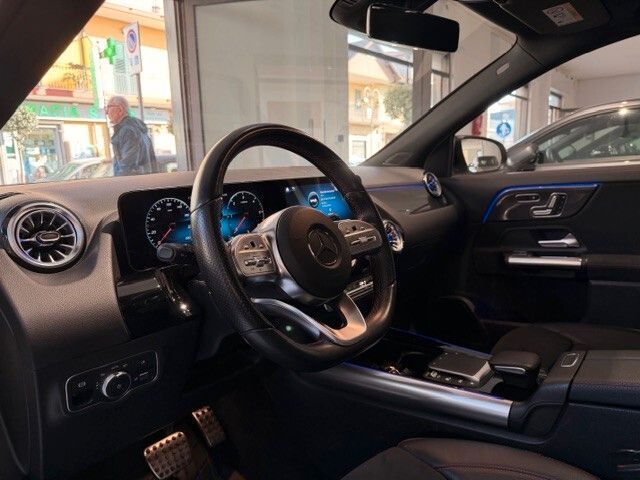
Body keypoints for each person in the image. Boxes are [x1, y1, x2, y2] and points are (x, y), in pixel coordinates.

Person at [106, 96, 157, 176]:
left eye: (109, 107)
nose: (106, 112)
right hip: (143, 181)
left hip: (132, 182)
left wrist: (117, 182)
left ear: (120, 110)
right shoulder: (138, 129)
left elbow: (127, 167)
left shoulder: (127, 131)